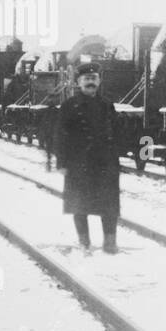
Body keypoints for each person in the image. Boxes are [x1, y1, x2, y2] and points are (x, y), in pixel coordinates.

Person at [54, 62, 122, 254]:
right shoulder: (69, 106)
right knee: (79, 205)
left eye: (93, 79)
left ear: (99, 81)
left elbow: (116, 132)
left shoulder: (107, 105)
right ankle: (84, 241)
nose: (90, 82)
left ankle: (110, 242)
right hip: (78, 164)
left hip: (105, 163)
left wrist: (118, 158)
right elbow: (60, 136)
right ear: (78, 82)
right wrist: (61, 163)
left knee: (109, 205)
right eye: (86, 79)